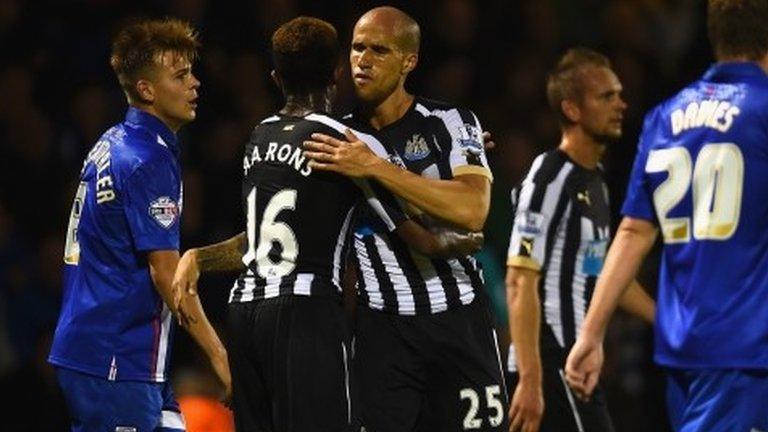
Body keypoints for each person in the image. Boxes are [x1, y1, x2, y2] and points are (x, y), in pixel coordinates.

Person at [171, 17, 481, 432]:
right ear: (337, 72)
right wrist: (460, 241)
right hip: (306, 312)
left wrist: (200, 257)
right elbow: (418, 235)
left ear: (276, 78)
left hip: (245, 312)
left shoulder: (259, 138)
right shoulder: (345, 145)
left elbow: (258, 239)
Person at [565, 1, 768, 431]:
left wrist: (591, 332)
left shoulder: (665, 116)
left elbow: (634, 231)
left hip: (685, 351)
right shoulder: (762, 110)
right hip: (746, 349)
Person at [304, 7, 508, 431]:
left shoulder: (451, 123)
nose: (362, 60)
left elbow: (473, 210)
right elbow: (285, 220)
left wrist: (375, 168)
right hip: (383, 334)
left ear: (409, 61)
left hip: (460, 322)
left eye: (379, 50)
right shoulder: (337, 140)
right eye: (357, 48)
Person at [48, 18, 230, 432]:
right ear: (147, 89)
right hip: (115, 359)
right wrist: (221, 358)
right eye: (181, 75)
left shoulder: (112, 140)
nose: (195, 84)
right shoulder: (148, 159)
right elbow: (167, 274)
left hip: (116, 354)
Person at [504, 48, 655, 432]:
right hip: (548, 362)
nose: (620, 104)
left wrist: (666, 319)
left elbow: (601, 270)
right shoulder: (550, 177)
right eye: (606, 96)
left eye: (619, 94)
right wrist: (531, 380)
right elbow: (520, 279)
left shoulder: (597, 183)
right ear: (572, 110)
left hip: (574, 363)